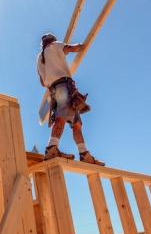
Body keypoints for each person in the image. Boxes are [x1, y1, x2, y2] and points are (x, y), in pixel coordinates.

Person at [37, 33, 104, 165]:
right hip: (64, 87)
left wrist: (52, 71)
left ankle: (84, 154)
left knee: (76, 124)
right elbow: (70, 48)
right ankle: (52, 148)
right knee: (62, 118)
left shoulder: (40, 58)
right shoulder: (54, 45)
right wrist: (79, 46)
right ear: (52, 40)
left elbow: (42, 82)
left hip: (55, 89)